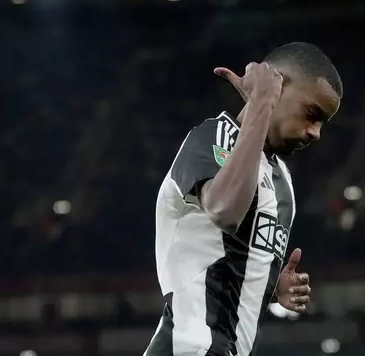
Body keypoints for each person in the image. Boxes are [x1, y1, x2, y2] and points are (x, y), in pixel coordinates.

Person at [144, 42, 342, 356]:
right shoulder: (216, 137)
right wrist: (261, 102)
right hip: (190, 346)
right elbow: (224, 211)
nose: (315, 132)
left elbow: (228, 267)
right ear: (276, 85)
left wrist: (275, 288)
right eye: (311, 114)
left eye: (322, 123)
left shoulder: (283, 183)